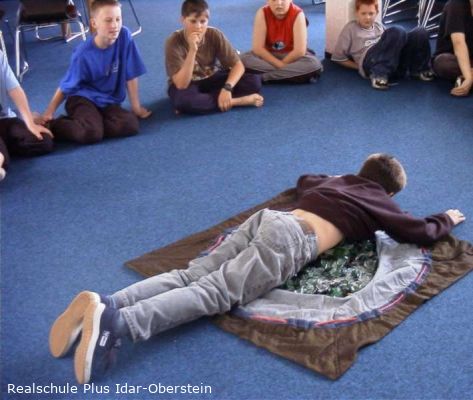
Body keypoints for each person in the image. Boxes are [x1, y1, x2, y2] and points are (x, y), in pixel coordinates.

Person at [49, 153, 465, 384]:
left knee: (192, 275)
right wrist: (445, 218)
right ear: (388, 193)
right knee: (214, 294)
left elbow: (305, 178)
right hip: (293, 240)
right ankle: (119, 325)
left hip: (269, 220)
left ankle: (108, 303)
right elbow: (418, 231)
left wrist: (336, 177)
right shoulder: (380, 202)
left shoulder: (335, 181)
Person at [40, 0, 151, 145]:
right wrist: (49, 113)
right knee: (90, 134)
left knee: (130, 125)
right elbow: (66, 85)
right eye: (108, 20)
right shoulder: (83, 54)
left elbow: (131, 74)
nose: (115, 25)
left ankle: (93, 123)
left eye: (118, 19)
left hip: (108, 99)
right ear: (94, 23)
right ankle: (56, 125)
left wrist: (136, 107)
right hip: (82, 98)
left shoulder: (125, 36)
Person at [165, 0, 264, 115]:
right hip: (187, 84)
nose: (198, 27)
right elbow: (181, 84)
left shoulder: (215, 35)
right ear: (182, 20)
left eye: (203, 21)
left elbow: (238, 66)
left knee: (254, 82)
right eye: (193, 21)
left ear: (208, 21)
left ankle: (204, 102)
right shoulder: (173, 42)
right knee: (183, 101)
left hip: (211, 76)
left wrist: (227, 88)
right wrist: (192, 50)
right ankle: (236, 102)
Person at [331, 0, 435, 90]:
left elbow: (392, 44)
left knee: (420, 32)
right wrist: (359, 67)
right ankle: (379, 75)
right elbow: (337, 57)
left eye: (371, 13)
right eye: (363, 13)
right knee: (397, 31)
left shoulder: (378, 26)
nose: (367, 17)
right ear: (357, 13)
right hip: (370, 61)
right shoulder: (351, 28)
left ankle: (419, 69)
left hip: (392, 62)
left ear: (376, 13)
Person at [0, 50, 53, 181]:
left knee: (44, 141)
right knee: (3, 160)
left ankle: (4, 149)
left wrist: (29, 123)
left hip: (4, 118)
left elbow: (14, 89)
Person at [240, 0, 323, 83]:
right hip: (268, 55)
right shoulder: (262, 13)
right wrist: (281, 66)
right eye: (274, 0)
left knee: (314, 64)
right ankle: (290, 74)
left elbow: (299, 51)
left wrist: (282, 64)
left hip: (291, 56)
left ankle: (262, 77)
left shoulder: (298, 14)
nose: (279, 3)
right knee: (242, 59)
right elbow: (258, 49)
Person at [432, 0, 473, 97]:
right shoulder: (455, 5)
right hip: (455, 57)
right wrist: (468, 77)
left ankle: (463, 79)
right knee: (443, 63)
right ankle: (467, 77)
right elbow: (458, 43)